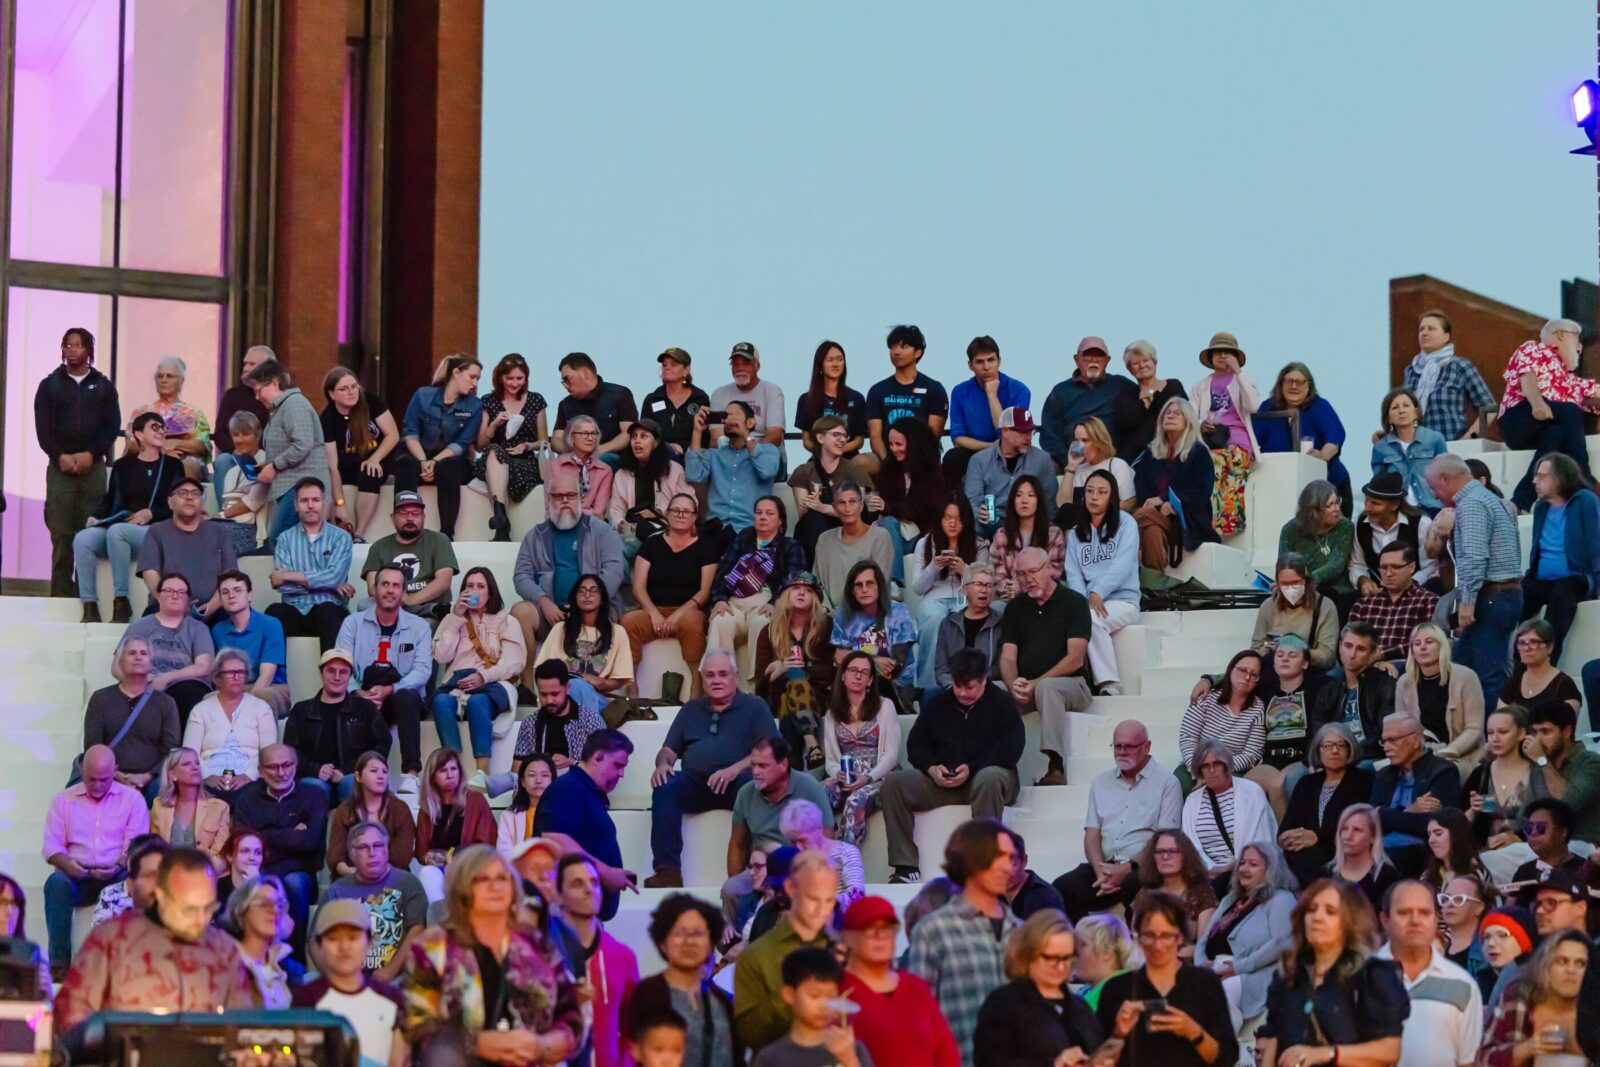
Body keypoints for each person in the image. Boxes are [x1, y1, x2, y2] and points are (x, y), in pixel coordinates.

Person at [396, 845, 583, 1066]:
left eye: (502, 878)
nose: (495, 887)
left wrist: (542, 1045)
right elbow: (415, 1025)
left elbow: (571, 1018)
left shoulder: (537, 945)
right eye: (482, 879)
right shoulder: (432, 947)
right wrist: (476, 1043)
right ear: (462, 887)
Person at [55, 847, 252, 1034]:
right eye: (190, 910)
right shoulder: (112, 940)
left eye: (209, 908)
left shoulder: (224, 950)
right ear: (161, 897)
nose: (201, 919)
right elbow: (69, 1015)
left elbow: (244, 1025)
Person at [881, 648, 1022, 883]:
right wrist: (931, 768)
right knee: (894, 783)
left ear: (983, 680)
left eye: (970, 687)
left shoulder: (1003, 703)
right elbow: (916, 744)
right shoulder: (938, 703)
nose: (963, 693)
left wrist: (972, 768)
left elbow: (1011, 749)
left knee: (989, 778)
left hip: (987, 780)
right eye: (958, 686)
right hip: (944, 781)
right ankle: (905, 866)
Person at [644, 649, 779, 888]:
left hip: (739, 784)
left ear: (735, 676)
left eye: (723, 674)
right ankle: (668, 871)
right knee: (665, 786)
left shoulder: (755, 707)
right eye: (710, 675)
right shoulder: (690, 709)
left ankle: (755, 870)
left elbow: (770, 751)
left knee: (753, 786)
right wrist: (663, 764)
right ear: (702, 678)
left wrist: (734, 769)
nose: (716, 680)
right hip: (696, 783)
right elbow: (668, 750)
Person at [1254, 879, 1406, 1067]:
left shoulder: (1371, 975)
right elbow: (1273, 1037)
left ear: (1350, 921)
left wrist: (1326, 1054)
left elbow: (1389, 1050)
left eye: (1330, 912)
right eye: (1311, 910)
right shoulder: (1289, 974)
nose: (1317, 917)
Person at [905, 820, 1018, 1067]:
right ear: (971, 859)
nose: (1008, 866)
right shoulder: (934, 931)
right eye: (998, 856)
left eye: (1011, 857)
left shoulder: (1022, 932)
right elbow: (918, 1020)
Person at [1054, 720, 1183, 921]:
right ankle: (1077, 940)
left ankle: (1136, 942)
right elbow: (1092, 834)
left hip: (1143, 868)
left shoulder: (1167, 784)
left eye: (1129, 746)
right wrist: (1100, 872)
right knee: (1061, 888)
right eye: (1117, 746)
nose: (1122, 752)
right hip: (1105, 867)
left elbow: (1164, 840)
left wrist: (1126, 869)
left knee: (1134, 885)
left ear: (1147, 747)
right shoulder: (1100, 783)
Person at [1424, 453, 1523, 709]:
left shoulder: (1472, 504)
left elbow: (1474, 557)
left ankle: (1489, 732)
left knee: (1485, 678)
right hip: (1501, 594)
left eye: (1434, 487)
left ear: (1445, 479)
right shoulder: (1490, 499)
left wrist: (1466, 603)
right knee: (1461, 670)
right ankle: (1469, 729)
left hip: (1491, 597)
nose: (1434, 495)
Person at [41, 745, 151, 973]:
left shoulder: (133, 800)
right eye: (92, 779)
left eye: (104, 780)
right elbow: (51, 847)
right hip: (75, 874)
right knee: (56, 884)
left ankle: (120, 965)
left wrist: (119, 864)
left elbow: (135, 847)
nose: (98, 785)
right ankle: (59, 966)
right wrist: (67, 864)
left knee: (134, 882)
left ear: (115, 771)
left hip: (117, 872)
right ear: (82, 770)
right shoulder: (63, 800)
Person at [1098, 891, 1237, 1067]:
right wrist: (1118, 1034)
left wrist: (1192, 1031)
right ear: (1138, 936)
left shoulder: (1204, 984)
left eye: (1166, 936)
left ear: (1180, 938)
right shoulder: (1116, 989)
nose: (1157, 945)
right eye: (1149, 935)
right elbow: (1095, 1059)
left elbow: (1226, 1058)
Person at [72, 412, 183, 622]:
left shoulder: (172, 466)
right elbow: (111, 498)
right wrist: (96, 516)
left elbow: (179, 504)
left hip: (155, 531)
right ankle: (89, 607)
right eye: (155, 427)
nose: (161, 431)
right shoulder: (123, 465)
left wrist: (152, 513)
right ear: (139, 434)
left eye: (163, 428)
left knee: (117, 532)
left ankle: (121, 602)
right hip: (121, 525)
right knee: (83, 539)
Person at [36, 326, 121, 598]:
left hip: (92, 469)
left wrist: (91, 454)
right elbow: (43, 429)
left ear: (89, 350)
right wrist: (59, 455)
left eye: (78, 345)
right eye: (68, 345)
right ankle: (60, 597)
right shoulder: (49, 386)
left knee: (89, 534)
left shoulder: (103, 386)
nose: (72, 350)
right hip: (59, 469)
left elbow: (111, 427)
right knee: (61, 536)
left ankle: (86, 599)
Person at [509, 470, 628, 663]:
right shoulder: (535, 535)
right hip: (551, 613)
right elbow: (521, 576)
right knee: (520, 612)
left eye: (571, 495)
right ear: (549, 500)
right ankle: (528, 680)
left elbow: (614, 571)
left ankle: (589, 678)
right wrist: (543, 601)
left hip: (595, 609)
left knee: (596, 617)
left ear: (580, 497)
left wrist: (585, 602)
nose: (565, 500)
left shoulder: (601, 531)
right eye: (558, 496)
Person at [336, 564, 433, 791]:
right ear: (375, 588)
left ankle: (411, 776)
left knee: (404, 697)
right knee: (354, 704)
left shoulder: (420, 627)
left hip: (403, 697)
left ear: (403, 592)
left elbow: (422, 670)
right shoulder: (353, 623)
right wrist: (359, 692)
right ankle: (362, 777)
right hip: (364, 691)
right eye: (385, 584)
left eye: (396, 585)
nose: (390, 590)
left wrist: (390, 689)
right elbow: (341, 663)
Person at [1000, 546, 1091, 786]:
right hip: (1029, 686)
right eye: (1021, 574)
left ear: (1049, 568)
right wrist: (1014, 684)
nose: (1028, 579)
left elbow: (1075, 659)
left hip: (1071, 685)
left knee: (1047, 688)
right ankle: (994, 767)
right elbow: (1007, 658)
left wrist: (1036, 683)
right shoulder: (1015, 608)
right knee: (990, 693)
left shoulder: (1074, 602)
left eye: (1033, 571)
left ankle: (1056, 765)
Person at [733, 849, 841, 1052]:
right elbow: (748, 1033)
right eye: (775, 888)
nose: (779, 894)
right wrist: (790, 998)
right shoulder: (757, 951)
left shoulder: (841, 947)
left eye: (828, 899)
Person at [972, 909, 1108, 1067]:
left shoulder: (1079, 1006)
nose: (1060, 967)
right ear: (1027, 954)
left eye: (1066, 958)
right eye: (1051, 958)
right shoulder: (1003, 1004)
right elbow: (990, 1061)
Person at [230, 745, 328, 957]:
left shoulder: (314, 795)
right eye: (273, 767)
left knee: (293, 884)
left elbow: (311, 842)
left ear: (296, 766)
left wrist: (263, 834)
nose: (281, 773)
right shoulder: (247, 798)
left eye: (287, 765)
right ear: (261, 771)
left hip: (298, 871)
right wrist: (291, 835)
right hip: (259, 867)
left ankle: (294, 959)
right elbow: (243, 840)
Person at [431, 566, 527, 782]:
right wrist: (456, 617)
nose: (474, 590)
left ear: (490, 592)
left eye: (480, 586)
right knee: (440, 702)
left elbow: (514, 662)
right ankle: (452, 767)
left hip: (494, 683)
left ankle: (482, 772)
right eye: (469, 586)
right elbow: (441, 656)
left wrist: (484, 677)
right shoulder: (452, 619)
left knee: (478, 701)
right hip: (458, 684)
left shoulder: (507, 621)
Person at [1193, 841, 1298, 1037]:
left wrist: (1239, 967)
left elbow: (1283, 942)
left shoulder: (1281, 899)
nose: (1244, 869)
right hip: (1217, 970)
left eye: (1253, 864)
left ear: (1271, 870)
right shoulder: (1230, 899)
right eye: (1242, 863)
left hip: (1258, 974)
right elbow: (1203, 940)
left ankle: (1218, 1049)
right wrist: (1201, 966)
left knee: (1224, 991)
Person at [840, 895, 960, 1067]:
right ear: (848, 936)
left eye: (887, 928)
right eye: (869, 928)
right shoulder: (839, 990)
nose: (880, 936)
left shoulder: (915, 987)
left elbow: (945, 1048)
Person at [532, 728, 637, 920]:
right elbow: (554, 840)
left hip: (583, 918)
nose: (621, 774)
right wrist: (605, 873)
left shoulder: (587, 792)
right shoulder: (568, 788)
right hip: (565, 917)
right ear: (597, 757)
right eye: (618, 765)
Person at [627, 893, 740, 1067]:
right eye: (679, 933)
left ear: (711, 943)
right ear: (663, 943)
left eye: (698, 933)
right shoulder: (647, 994)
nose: (689, 941)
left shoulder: (722, 1000)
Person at [723, 737, 835, 910]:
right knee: (731, 888)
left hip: (799, 867)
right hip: (760, 868)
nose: (756, 772)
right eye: (753, 765)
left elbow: (827, 838)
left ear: (783, 764)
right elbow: (737, 844)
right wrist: (737, 877)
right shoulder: (745, 793)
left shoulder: (810, 788)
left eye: (763, 766)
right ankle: (739, 927)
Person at [293, 900, 408, 1067]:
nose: (344, 947)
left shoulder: (391, 997)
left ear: (369, 942)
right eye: (333, 938)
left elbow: (399, 1061)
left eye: (353, 937)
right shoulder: (306, 998)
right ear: (319, 946)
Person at [1497, 319, 1598, 511]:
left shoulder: (1570, 380)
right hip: (1519, 417)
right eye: (1577, 339)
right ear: (1561, 335)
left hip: (1544, 427)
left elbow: (1596, 391)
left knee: (1556, 435)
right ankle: (1584, 478)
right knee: (1570, 410)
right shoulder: (1534, 348)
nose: (1580, 347)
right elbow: (1527, 376)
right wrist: (1537, 403)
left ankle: (1519, 501)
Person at [707, 495, 808, 682]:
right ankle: (720, 680)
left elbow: (793, 583)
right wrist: (719, 599)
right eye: (759, 512)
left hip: (766, 603)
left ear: (780, 521)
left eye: (769, 513)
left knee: (761, 622)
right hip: (735, 602)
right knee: (720, 621)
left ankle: (757, 684)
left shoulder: (790, 546)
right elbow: (722, 573)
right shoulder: (743, 539)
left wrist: (775, 603)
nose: (762, 517)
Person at [557, 854, 640, 1067]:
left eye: (594, 882)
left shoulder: (622, 956)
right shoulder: (545, 953)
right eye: (577, 883)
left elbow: (634, 1030)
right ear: (559, 895)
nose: (589, 890)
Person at [623, 490, 715, 679]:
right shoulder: (651, 544)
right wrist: (654, 614)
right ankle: (631, 687)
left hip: (688, 611)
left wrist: (677, 615)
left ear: (694, 517)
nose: (680, 514)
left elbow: (705, 591)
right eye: (675, 510)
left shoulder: (707, 547)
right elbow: (638, 587)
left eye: (686, 511)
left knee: (692, 622)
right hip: (653, 610)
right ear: (667, 514)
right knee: (628, 622)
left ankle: (696, 685)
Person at [1064, 470, 1140, 697]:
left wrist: (1098, 591)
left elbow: (1122, 565)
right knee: (1081, 617)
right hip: (1089, 601)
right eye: (1089, 491)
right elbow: (1073, 574)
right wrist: (1082, 601)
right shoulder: (1075, 533)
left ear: (1112, 497)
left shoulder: (1126, 523)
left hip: (1123, 600)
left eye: (1102, 492)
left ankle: (1110, 683)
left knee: (1092, 620)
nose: (1094, 497)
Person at [394, 352, 483, 538]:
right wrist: (423, 461)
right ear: (456, 373)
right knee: (404, 463)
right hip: (421, 455)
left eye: (477, 379)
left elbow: (462, 443)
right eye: (472, 377)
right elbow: (410, 433)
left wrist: (434, 462)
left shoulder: (474, 405)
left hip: (452, 461)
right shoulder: (423, 395)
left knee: (448, 467)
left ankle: (446, 535)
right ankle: (406, 527)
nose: (475, 383)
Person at [752, 571, 837, 765]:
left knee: (791, 693)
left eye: (808, 590)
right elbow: (760, 682)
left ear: (815, 598)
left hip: (818, 696)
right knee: (788, 692)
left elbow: (828, 672)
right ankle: (812, 745)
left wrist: (797, 667)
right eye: (796, 588)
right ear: (785, 594)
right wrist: (782, 668)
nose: (801, 593)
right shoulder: (768, 632)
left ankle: (792, 767)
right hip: (776, 696)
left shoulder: (827, 627)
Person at [283, 649, 389, 802]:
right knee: (312, 789)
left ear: (350, 675)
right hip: (313, 777)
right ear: (321, 673)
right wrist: (316, 770)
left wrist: (347, 770)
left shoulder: (365, 708)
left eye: (343, 672)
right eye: (331, 671)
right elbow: (290, 753)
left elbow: (381, 745)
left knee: (354, 784)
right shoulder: (301, 710)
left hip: (352, 775)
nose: (337, 677)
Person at [244, 358, 331, 544]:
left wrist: (275, 466)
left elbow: (303, 443)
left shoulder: (294, 404)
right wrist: (268, 464)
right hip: (295, 486)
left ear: (275, 383)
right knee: (289, 543)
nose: (257, 397)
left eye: (258, 390)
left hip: (302, 487)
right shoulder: (283, 407)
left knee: (279, 540)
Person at [1522, 452, 1600, 660]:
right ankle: (1517, 665)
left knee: (1561, 598)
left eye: (1541, 476)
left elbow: (1596, 543)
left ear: (1560, 477)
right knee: (1512, 601)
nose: (1534, 481)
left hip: (1575, 578)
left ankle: (1545, 661)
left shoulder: (1585, 501)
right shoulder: (1540, 506)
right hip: (1540, 580)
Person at [82, 637, 181, 801]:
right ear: (120, 662)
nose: (138, 657)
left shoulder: (165, 703)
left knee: (164, 790)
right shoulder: (101, 699)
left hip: (152, 779)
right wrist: (117, 775)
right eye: (132, 653)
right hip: (108, 776)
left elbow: (171, 751)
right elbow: (93, 745)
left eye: (143, 653)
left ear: (151, 663)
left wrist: (146, 777)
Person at [114, 570, 215, 729]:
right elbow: (116, 666)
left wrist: (166, 679)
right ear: (158, 596)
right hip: (145, 685)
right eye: (169, 591)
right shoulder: (140, 626)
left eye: (181, 592)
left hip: (184, 687)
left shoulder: (198, 629)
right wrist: (138, 682)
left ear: (187, 599)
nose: (175, 596)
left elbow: (204, 666)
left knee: (188, 692)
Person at [821, 651, 902, 847]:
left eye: (864, 672)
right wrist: (838, 774)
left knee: (856, 800)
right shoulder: (832, 714)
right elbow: (831, 761)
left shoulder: (885, 706)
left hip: (879, 778)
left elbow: (891, 755)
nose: (858, 676)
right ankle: (821, 853)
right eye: (853, 670)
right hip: (847, 778)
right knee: (819, 792)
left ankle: (847, 858)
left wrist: (868, 778)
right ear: (843, 675)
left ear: (870, 680)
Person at [1279, 723, 1374, 888]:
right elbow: (1288, 824)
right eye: (1328, 745)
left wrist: (1317, 837)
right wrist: (1285, 837)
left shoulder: (1363, 780)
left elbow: (1357, 824)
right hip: (1303, 855)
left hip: (1342, 851)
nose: (1335, 750)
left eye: (1341, 745)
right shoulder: (1306, 783)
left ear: (1350, 749)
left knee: (1311, 856)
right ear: (1318, 751)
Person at [266, 477, 354, 652]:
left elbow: (334, 577)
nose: (310, 505)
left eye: (315, 500)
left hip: (329, 609)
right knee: (274, 612)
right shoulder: (285, 539)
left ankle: (332, 669)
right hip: (294, 608)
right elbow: (282, 586)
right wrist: (330, 585)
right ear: (296, 505)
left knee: (328, 611)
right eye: (304, 501)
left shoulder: (341, 537)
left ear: (324, 503)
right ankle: (276, 671)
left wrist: (286, 575)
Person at [1130, 397, 1217, 570]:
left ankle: (1113, 538)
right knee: (1152, 533)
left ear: (1188, 420)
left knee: (1135, 520)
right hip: (1154, 516)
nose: (1170, 416)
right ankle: (1155, 582)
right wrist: (1157, 505)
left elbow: (1200, 493)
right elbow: (1141, 486)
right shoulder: (1151, 452)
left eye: (1177, 413)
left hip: (1187, 520)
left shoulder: (1199, 452)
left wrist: (1166, 500)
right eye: (1167, 413)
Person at [1370, 713, 1462, 875]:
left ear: (1415, 740)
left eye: (1393, 740)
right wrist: (1410, 811)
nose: (1386, 748)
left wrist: (1384, 814)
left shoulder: (1443, 771)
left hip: (1419, 852)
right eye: (1384, 741)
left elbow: (1433, 824)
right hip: (1378, 847)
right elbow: (1369, 821)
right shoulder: (1384, 775)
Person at [135, 475, 239, 617]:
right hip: (166, 606)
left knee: (234, 619)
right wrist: (171, 602)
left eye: (195, 494)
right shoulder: (156, 531)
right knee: (150, 621)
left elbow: (230, 573)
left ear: (201, 502)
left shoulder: (219, 531)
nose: (190, 497)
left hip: (214, 607)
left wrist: (209, 608)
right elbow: (150, 573)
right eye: (183, 493)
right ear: (170, 502)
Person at [750, 947, 872, 1067]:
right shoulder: (771, 1058)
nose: (824, 1005)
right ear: (789, 995)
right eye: (815, 996)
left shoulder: (853, 1049)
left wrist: (849, 1061)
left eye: (831, 996)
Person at [1463, 709, 1548, 879]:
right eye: (1490, 733)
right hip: (1485, 853)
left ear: (1521, 733)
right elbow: (1456, 824)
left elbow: (1551, 816)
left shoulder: (1537, 772)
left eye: (1503, 732)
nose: (1495, 738)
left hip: (1528, 852)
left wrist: (1519, 839)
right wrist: (1473, 811)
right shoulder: (1481, 774)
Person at [1181, 740, 1278, 889]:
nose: (1212, 770)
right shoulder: (1192, 801)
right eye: (1205, 766)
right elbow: (1189, 844)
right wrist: (1210, 869)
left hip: (1247, 872)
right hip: (1206, 875)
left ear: (1226, 765)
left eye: (1217, 764)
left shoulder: (1251, 792)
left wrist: (1230, 868)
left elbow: (1263, 841)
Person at [1189, 331, 1259, 537]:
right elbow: (1190, 415)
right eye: (1217, 351)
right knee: (1207, 466)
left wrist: (1238, 373)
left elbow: (1253, 406)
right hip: (1211, 443)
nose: (1222, 356)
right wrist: (1200, 424)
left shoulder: (1244, 379)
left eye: (1228, 352)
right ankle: (1214, 524)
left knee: (1216, 465)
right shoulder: (1201, 385)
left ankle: (1221, 525)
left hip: (1239, 445)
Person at [1485, 928, 1589, 1067]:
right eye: (1562, 961)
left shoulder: (1594, 1006)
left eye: (1580, 964)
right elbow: (1482, 1058)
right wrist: (1526, 1049)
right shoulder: (1519, 995)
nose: (1571, 970)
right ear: (1546, 965)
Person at [1257, 362, 1352, 512]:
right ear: (1280, 384)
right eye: (1289, 381)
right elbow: (1252, 439)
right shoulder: (1267, 408)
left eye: (1299, 382)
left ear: (1309, 385)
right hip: (1277, 488)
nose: (1294, 386)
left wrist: (1322, 455)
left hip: (1328, 487)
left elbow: (1335, 435)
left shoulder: (1319, 406)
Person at [473, 352, 548, 538]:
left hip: (524, 460)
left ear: (526, 378)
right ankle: (501, 517)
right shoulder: (489, 401)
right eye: (510, 378)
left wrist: (527, 446)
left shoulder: (536, 400)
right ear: (500, 378)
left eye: (519, 378)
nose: (515, 383)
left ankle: (502, 524)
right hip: (494, 459)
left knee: (496, 454)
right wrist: (494, 424)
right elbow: (479, 446)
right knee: (494, 451)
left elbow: (544, 441)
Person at [182, 649, 279, 792]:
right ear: (217, 678)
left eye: (241, 672)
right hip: (208, 780)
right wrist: (207, 776)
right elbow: (189, 753)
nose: (236, 677)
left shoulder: (261, 708)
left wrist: (248, 776)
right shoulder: (200, 710)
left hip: (250, 781)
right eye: (230, 672)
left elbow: (269, 753)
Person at [320, 366, 400, 540]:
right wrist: (340, 503)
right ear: (332, 394)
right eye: (343, 389)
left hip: (373, 461)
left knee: (370, 474)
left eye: (354, 386)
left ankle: (359, 534)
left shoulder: (370, 401)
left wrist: (375, 459)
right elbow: (332, 466)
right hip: (345, 468)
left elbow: (393, 435)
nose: (351, 392)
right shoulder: (327, 419)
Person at [1392, 622, 1483, 773]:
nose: (1422, 647)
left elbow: (1474, 730)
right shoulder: (1404, 683)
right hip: (1419, 755)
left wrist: (1442, 755)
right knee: (1381, 772)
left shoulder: (1466, 677)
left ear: (1442, 646)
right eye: (1417, 644)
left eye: (1429, 642)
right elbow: (1401, 731)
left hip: (1460, 755)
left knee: (1436, 773)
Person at [536, 571, 635, 707]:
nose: (587, 595)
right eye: (582, 591)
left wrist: (603, 683)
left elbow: (620, 679)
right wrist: (582, 679)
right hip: (563, 697)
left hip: (599, 700)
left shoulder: (617, 632)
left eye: (593, 591)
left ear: (602, 598)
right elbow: (544, 670)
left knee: (579, 687)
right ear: (575, 598)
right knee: (576, 686)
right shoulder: (560, 629)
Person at [361, 490, 460, 623]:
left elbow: (444, 581)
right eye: (403, 513)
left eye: (416, 513)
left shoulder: (439, 540)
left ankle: (423, 611)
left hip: (426, 610)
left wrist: (410, 600)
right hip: (392, 608)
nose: (410, 518)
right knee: (364, 604)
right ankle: (419, 611)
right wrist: (397, 600)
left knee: (429, 621)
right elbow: (373, 588)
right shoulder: (378, 547)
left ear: (423, 517)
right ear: (392, 517)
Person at [945, 335, 1031, 486]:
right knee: (952, 458)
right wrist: (991, 447)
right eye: (979, 362)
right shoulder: (960, 391)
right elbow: (958, 438)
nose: (986, 367)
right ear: (970, 365)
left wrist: (992, 395)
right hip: (975, 449)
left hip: (1010, 450)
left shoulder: (1019, 390)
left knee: (1021, 456)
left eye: (991, 360)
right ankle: (953, 500)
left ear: (999, 361)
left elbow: (1006, 434)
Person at [689, 399, 783, 537]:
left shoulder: (768, 451)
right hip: (715, 529)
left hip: (751, 530)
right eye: (726, 416)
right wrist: (697, 431)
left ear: (750, 423)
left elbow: (767, 471)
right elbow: (693, 475)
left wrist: (745, 434)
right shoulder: (714, 454)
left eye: (733, 415)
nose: (729, 420)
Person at [963, 405, 1058, 540]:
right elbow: (971, 503)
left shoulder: (1042, 459)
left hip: (1029, 524)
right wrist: (979, 513)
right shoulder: (979, 460)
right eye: (1022, 432)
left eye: (1030, 432)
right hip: (991, 525)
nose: (1028, 437)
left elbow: (1049, 505)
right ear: (1005, 431)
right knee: (973, 526)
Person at [872, 418, 948, 585]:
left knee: (887, 524)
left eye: (898, 444)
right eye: (891, 444)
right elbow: (883, 502)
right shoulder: (889, 469)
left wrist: (888, 507)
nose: (894, 449)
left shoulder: (931, 471)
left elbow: (919, 508)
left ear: (913, 444)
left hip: (921, 536)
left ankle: (894, 583)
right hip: (894, 531)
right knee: (885, 525)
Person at [505, 660, 607, 785]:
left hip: (580, 793)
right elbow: (517, 771)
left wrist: (573, 763)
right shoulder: (530, 723)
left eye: (555, 694)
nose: (549, 700)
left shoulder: (591, 720)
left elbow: (605, 769)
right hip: (540, 795)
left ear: (567, 688)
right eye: (543, 695)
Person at [1308, 621, 1397, 763]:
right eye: (1348, 646)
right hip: (1332, 757)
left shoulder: (1384, 683)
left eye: (1361, 649)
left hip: (1369, 757)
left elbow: (1383, 733)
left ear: (1372, 654)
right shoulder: (1328, 686)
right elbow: (1318, 730)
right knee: (1297, 774)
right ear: (1339, 647)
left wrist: (1348, 754)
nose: (1352, 654)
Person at [1403, 309, 1497, 441]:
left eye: (1431, 329)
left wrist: (1468, 438)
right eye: (1421, 329)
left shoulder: (1460, 366)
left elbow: (1490, 408)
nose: (1424, 333)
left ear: (1446, 337)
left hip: (1451, 447)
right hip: (1418, 447)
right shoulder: (1412, 371)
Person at [414, 748, 495, 900]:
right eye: (443, 770)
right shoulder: (426, 809)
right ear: (432, 777)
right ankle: (440, 914)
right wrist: (428, 858)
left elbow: (486, 845)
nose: (450, 775)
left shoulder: (475, 800)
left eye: (454, 769)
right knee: (426, 873)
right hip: (438, 868)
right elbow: (421, 852)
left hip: (469, 866)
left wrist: (454, 857)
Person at [1040, 336, 1133, 469]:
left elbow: (1146, 402)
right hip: (1071, 463)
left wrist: (1121, 460)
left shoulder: (1121, 385)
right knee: (1043, 466)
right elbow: (1049, 434)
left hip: (1113, 462)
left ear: (1107, 360)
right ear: (1077, 359)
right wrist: (1069, 463)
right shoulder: (1061, 392)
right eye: (1088, 355)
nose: (1094, 360)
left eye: (1099, 355)